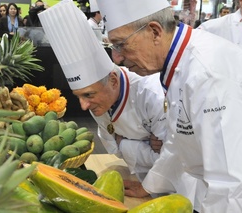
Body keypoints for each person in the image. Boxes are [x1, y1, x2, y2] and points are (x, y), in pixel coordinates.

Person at [97, 0, 242, 212]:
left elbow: (233, 184)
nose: (117, 58)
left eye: (120, 44)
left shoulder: (208, 75)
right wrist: (151, 185)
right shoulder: (180, 61)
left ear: (154, 32)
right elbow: (180, 140)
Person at [37, 0, 199, 207]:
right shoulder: (98, 99)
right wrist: (143, 143)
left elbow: (176, 156)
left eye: (88, 94)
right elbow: (114, 148)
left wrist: (146, 178)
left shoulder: (153, 94)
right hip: (136, 179)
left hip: (181, 190)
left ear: (113, 81)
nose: (84, 106)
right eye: (79, 96)